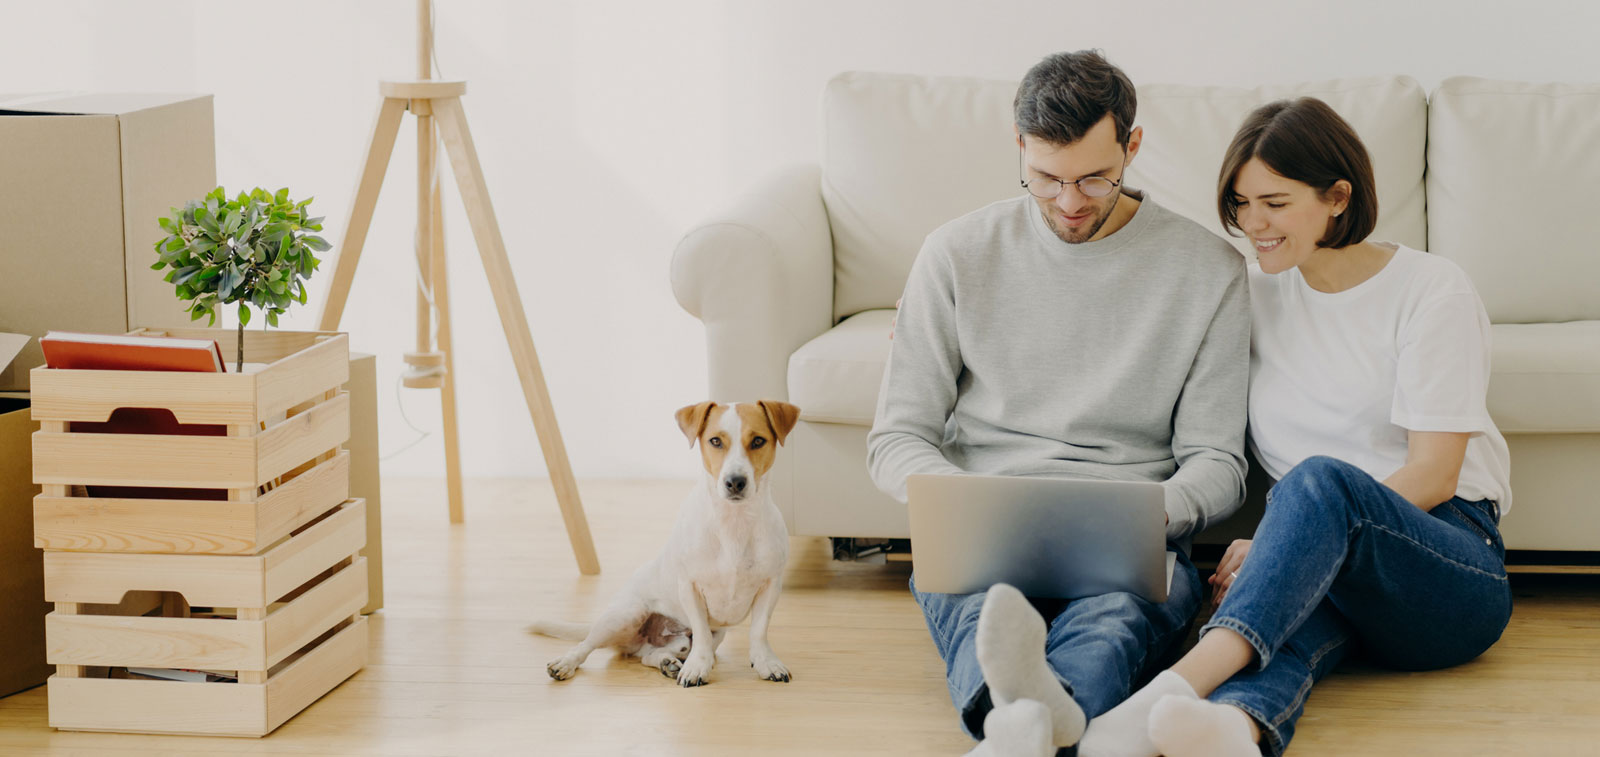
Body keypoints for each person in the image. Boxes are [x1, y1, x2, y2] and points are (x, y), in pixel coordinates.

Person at [1076, 97, 1514, 757]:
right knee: (1282, 627)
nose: (1254, 224)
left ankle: (1160, 695)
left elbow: (1435, 472)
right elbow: (1131, 320)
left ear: (1337, 196)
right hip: (1329, 573)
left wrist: (1287, 534)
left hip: (1448, 568)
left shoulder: (1431, 289)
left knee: (1316, 483)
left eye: (1274, 203)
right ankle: (1235, 730)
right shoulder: (1252, 293)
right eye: (1241, 205)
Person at [866, 50, 1250, 756]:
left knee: (1113, 619)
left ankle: (1019, 728)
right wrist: (964, 502)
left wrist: (1160, 509)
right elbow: (896, 437)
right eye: (1046, 178)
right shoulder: (954, 253)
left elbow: (1219, 461)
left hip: (1128, 535)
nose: (1070, 201)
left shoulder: (1209, 272)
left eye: (1094, 177)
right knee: (977, 606)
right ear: (1019, 146)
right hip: (983, 524)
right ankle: (1046, 724)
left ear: (1133, 146)